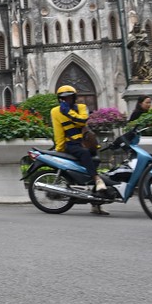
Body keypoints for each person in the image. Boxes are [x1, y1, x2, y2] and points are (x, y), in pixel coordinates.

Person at [51, 85, 108, 215]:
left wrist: (68, 112)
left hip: (86, 142)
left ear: (74, 97)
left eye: (69, 96)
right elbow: (58, 131)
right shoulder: (55, 111)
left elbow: (82, 121)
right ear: (60, 99)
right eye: (64, 98)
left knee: (95, 161)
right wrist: (59, 148)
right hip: (71, 144)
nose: (67, 99)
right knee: (84, 154)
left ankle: (96, 203)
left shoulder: (82, 108)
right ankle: (97, 180)